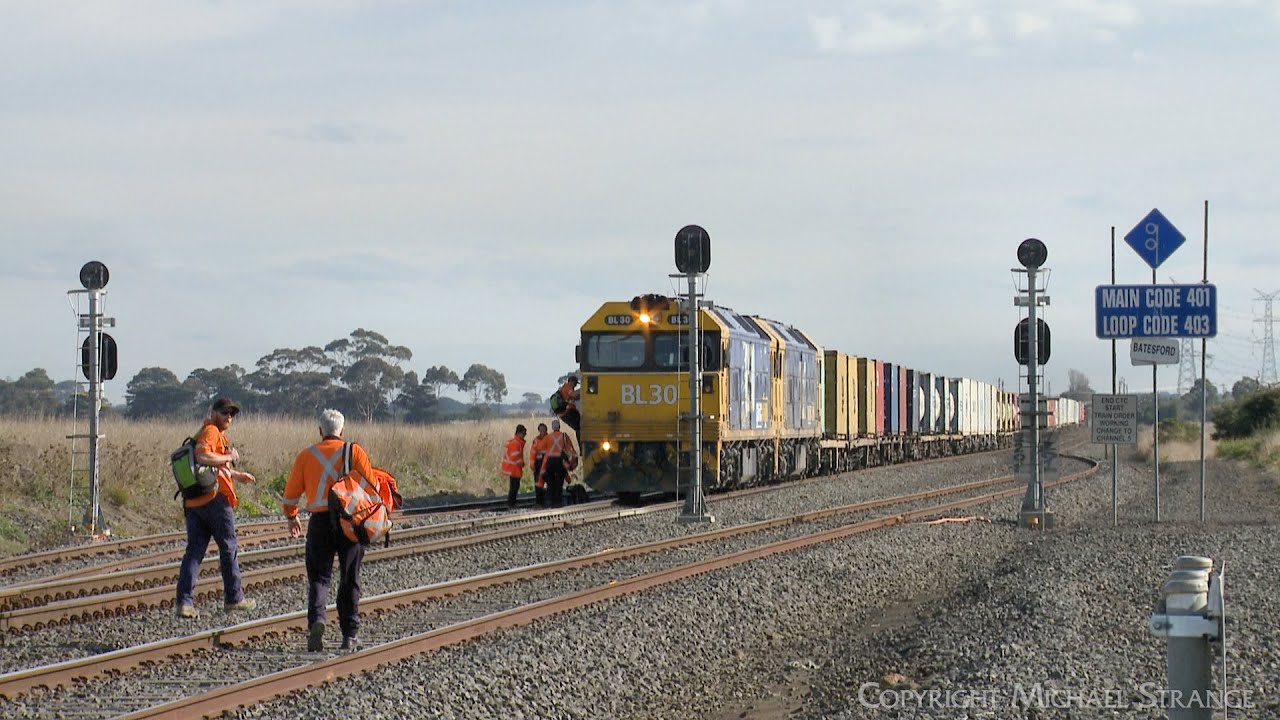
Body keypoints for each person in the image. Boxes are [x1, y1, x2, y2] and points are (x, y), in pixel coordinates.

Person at [282, 408, 379, 653]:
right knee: (350, 577)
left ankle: (317, 621)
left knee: (319, 577)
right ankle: (349, 635)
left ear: (320, 431)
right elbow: (373, 487)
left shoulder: (306, 455)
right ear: (342, 431)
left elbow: (290, 496)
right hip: (350, 521)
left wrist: (292, 518)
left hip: (319, 522)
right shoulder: (354, 451)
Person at [175, 397, 257, 618]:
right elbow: (203, 456)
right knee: (228, 548)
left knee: (193, 553)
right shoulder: (211, 431)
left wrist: (238, 475)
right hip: (215, 501)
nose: (228, 417)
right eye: (224, 412)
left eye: (232, 414)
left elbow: (211, 468)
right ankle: (234, 598)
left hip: (195, 503)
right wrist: (230, 456)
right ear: (213, 413)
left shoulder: (210, 432)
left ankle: (184, 602)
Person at [539, 419, 578, 507]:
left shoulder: (548, 437)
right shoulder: (564, 436)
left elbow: (540, 448)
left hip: (550, 462)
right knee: (559, 482)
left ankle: (549, 501)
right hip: (561, 461)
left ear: (552, 427)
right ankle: (558, 502)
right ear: (559, 427)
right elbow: (570, 449)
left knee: (550, 482)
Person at [501, 424, 527, 508]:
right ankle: (511, 503)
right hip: (514, 468)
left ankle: (512, 503)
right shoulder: (516, 443)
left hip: (513, 468)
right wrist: (522, 463)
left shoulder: (515, 442)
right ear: (520, 433)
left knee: (514, 486)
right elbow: (515, 457)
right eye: (524, 433)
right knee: (514, 487)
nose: (524, 435)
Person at [528, 422, 552, 507]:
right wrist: (532, 464)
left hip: (548, 463)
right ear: (539, 430)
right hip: (538, 463)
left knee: (550, 482)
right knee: (538, 483)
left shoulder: (550, 438)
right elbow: (532, 452)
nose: (542, 431)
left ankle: (549, 500)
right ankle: (539, 502)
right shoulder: (536, 440)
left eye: (544, 429)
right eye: (541, 429)